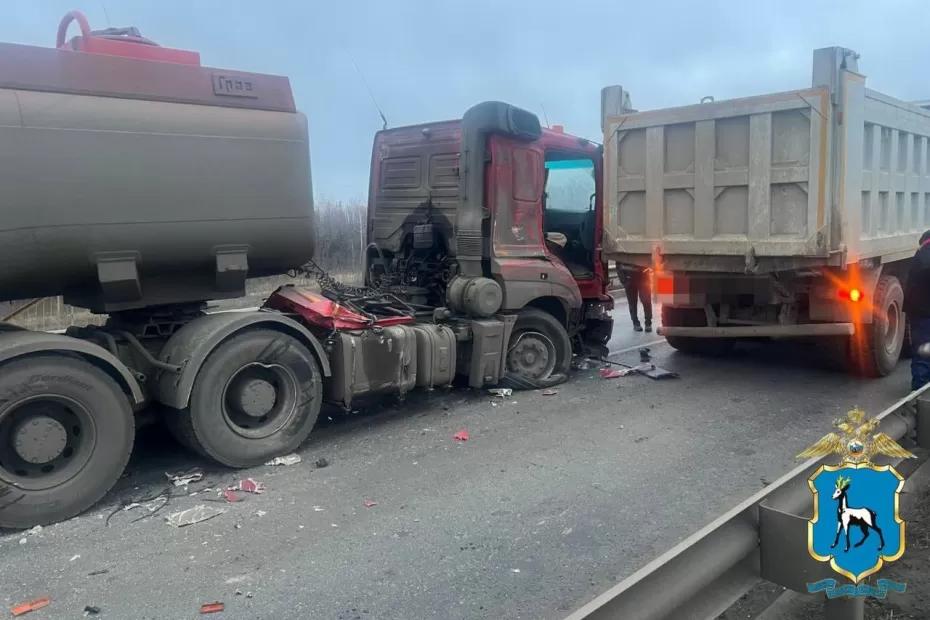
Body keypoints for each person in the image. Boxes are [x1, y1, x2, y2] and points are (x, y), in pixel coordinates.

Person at [904, 230, 930, 390]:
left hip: (919, 312)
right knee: (923, 352)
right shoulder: (925, 260)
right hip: (924, 312)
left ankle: (920, 392)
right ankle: (920, 392)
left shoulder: (921, 255)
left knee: (923, 351)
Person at [616, 263, 652, 332]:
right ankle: (635, 323)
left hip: (643, 277)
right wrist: (624, 280)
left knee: (646, 300)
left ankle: (648, 323)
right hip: (628, 278)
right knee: (632, 302)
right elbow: (618, 264)